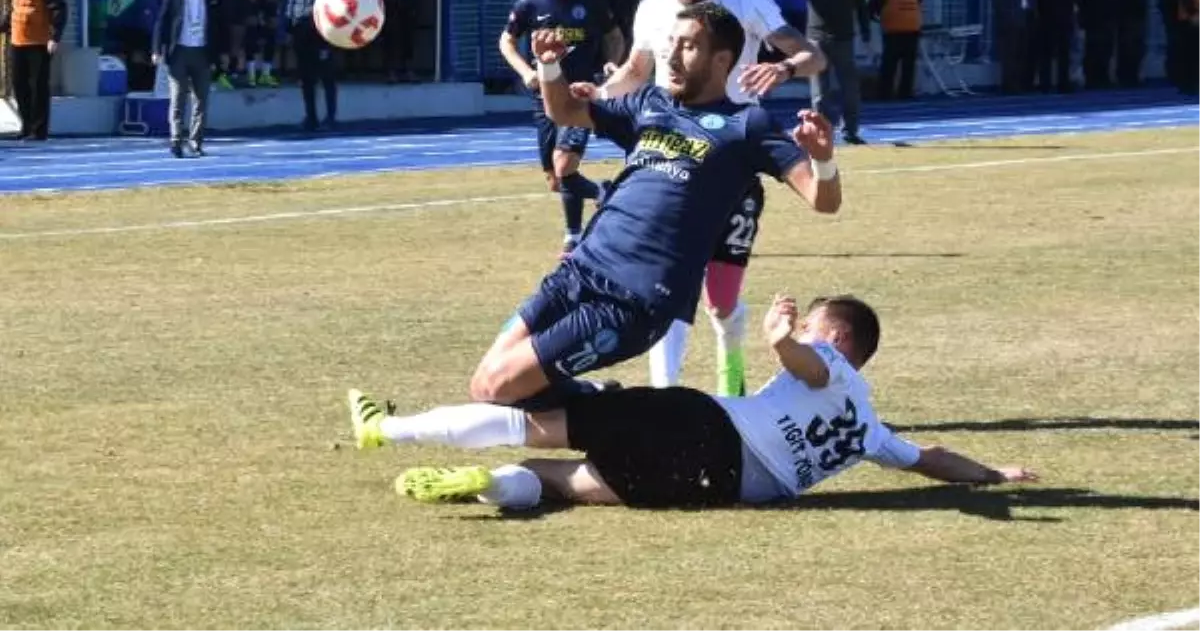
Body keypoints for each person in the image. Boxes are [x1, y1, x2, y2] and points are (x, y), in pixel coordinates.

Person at [465, 1, 840, 413]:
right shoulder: (648, 103)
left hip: (632, 300)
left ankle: (624, 420)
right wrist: (550, 66)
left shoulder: (747, 126)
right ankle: (607, 407)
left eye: (689, 46)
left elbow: (824, 200)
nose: (673, 55)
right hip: (577, 271)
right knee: (485, 384)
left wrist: (823, 158)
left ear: (722, 60)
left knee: (500, 387)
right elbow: (565, 110)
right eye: (671, 43)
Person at [346, 294, 1037, 511]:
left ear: (839, 337)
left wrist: (780, 341)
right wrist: (993, 475)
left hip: (703, 423)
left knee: (537, 423)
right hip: (718, 488)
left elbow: (808, 364)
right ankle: (488, 485)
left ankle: (393, 432)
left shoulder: (830, 362)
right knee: (564, 482)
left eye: (817, 325)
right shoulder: (871, 430)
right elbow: (930, 460)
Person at [594, 0, 827, 398]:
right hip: (669, 160)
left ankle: (731, 382)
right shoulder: (652, 10)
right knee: (665, 287)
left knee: (721, 302)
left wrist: (782, 69)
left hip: (733, 165)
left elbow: (812, 55)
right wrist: (596, 95)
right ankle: (665, 396)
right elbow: (636, 72)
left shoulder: (746, 2)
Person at [498, 0, 625, 257]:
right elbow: (506, 42)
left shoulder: (592, 2)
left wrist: (613, 62)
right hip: (544, 98)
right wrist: (527, 72)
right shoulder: (531, 2)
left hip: (579, 95)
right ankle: (601, 194)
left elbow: (614, 37)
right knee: (556, 178)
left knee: (564, 162)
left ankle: (572, 237)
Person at [786, 0, 871, 143]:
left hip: (843, 39)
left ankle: (850, 131)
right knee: (819, 91)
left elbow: (860, 5)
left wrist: (865, 30)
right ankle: (821, 130)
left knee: (849, 87)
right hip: (817, 40)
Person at [152, 0, 227, 158]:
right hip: (179, 51)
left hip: (203, 51)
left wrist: (223, 52)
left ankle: (196, 142)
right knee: (177, 99)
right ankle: (176, 140)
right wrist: (157, 49)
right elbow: (162, 21)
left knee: (201, 100)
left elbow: (221, 25)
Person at [1, 0, 68, 142]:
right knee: (19, 85)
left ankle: (39, 130)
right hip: (18, 40)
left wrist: (55, 37)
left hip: (39, 42)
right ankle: (26, 126)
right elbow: (11, 10)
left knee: (38, 86)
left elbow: (59, 11)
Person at [286, 0, 343, 131]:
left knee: (327, 76)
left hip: (322, 32)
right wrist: (288, 22)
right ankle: (310, 117)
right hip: (301, 31)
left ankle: (331, 117)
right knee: (306, 78)